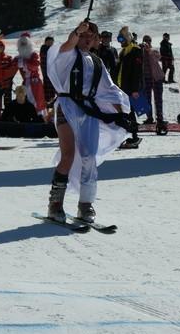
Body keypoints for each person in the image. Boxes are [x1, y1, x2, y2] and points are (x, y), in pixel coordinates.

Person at [45, 20, 130, 223]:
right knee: (68, 155)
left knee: (89, 157)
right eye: (83, 35)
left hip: (88, 111)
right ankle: (55, 204)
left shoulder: (97, 62)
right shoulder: (67, 56)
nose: (85, 39)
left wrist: (122, 115)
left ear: (95, 40)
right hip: (66, 107)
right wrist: (76, 31)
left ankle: (85, 204)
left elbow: (109, 91)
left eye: (89, 36)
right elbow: (66, 45)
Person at [115, 26, 143, 148]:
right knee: (125, 112)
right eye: (118, 39)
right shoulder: (124, 51)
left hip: (130, 88)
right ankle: (128, 136)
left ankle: (134, 137)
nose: (120, 41)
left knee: (129, 112)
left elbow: (137, 71)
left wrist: (135, 89)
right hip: (122, 87)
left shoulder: (135, 50)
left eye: (122, 38)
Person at [15, 33, 47, 118]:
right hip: (26, 82)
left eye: (25, 43)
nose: (23, 46)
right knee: (26, 99)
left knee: (37, 100)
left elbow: (35, 65)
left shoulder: (34, 55)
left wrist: (25, 63)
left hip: (35, 82)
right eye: (22, 44)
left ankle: (39, 117)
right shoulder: (20, 57)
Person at [141, 35, 166, 128]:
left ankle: (160, 118)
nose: (147, 42)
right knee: (147, 99)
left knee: (158, 99)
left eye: (149, 41)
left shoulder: (154, 51)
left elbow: (158, 57)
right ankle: (149, 118)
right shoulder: (141, 53)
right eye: (145, 41)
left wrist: (149, 51)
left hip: (157, 78)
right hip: (146, 78)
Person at [40, 37, 56, 104]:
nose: (50, 43)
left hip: (53, 71)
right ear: (45, 42)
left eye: (52, 42)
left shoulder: (53, 49)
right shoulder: (44, 49)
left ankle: (52, 101)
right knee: (47, 85)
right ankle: (47, 101)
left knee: (53, 85)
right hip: (46, 70)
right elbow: (44, 59)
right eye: (49, 41)